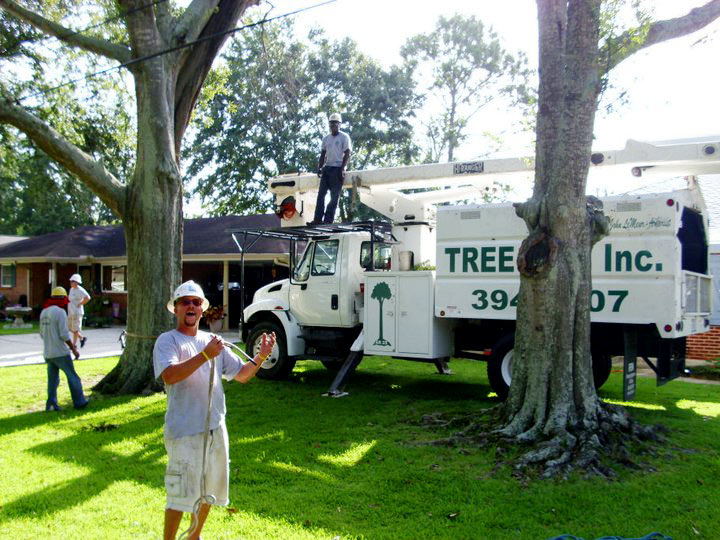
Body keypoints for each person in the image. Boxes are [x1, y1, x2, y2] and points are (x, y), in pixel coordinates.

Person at [153, 280, 276, 540]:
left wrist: (261, 356)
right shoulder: (168, 341)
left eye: (196, 303)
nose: (191, 306)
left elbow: (242, 374)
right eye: (185, 302)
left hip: (215, 427)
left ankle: (194, 536)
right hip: (184, 430)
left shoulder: (213, 342)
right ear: (175, 309)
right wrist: (206, 355)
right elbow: (170, 376)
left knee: (210, 488)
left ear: (202, 311)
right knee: (180, 492)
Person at [39, 286, 89, 411]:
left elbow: (41, 333)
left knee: (52, 380)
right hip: (60, 353)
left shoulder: (44, 312)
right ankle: (80, 402)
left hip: (48, 353)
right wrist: (74, 349)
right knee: (73, 377)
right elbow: (64, 335)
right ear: (62, 299)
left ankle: (51, 404)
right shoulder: (60, 312)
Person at [310, 112, 352, 224]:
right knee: (321, 195)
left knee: (334, 197)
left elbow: (347, 153)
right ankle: (317, 219)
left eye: (335, 123)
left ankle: (328, 220)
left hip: (337, 169)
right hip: (327, 168)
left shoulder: (344, 137)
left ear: (339, 124)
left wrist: (343, 169)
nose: (333, 125)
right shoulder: (326, 139)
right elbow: (323, 154)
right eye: (331, 123)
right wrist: (319, 168)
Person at [68, 273, 91, 348]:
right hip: (71, 312)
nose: (71, 283)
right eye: (71, 281)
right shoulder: (71, 290)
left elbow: (88, 297)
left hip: (77, 313)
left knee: (76, 329)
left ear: (76, 282)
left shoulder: (80, 290)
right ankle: (82, 338)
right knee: (70, 328)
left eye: (73, 281)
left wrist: (80, 304)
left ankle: (74, 345)